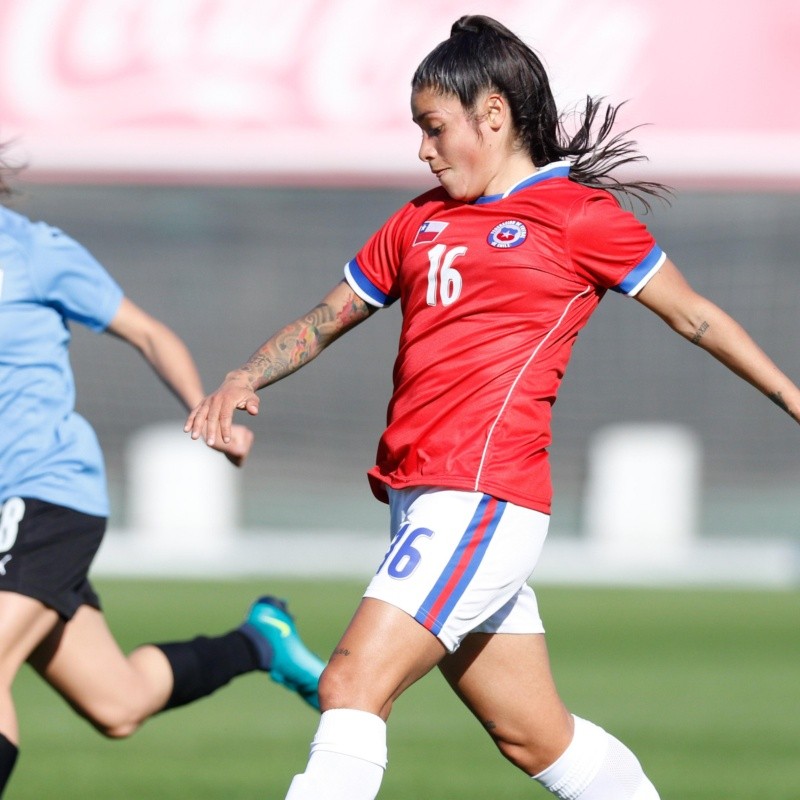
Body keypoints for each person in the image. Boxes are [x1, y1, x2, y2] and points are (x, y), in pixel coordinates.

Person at [186, 15, 800, 800]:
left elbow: (697, 315)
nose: (423, 149)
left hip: (480, 496)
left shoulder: (576, 217)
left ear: (496, 115)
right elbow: (326, 315)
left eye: (434, 128)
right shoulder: (420, 219)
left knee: (349, 685)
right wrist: (244, 377)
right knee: (536, 737)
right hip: (422, 500)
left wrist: (789, 396)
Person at [0, 146, 325, 798]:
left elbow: (149, 334)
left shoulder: (33, 251)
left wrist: (210, 415)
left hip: (44, 492)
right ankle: (259, 642)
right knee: (116, 704)